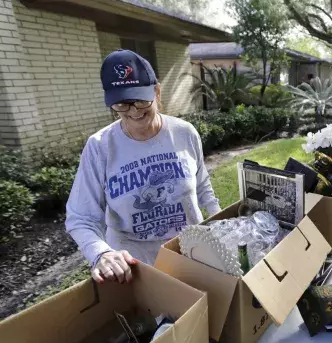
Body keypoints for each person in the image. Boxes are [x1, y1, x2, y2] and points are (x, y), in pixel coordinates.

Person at [66, 49, 221, 284]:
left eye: (140, 100)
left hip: (192, 254)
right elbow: (81, 217)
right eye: (122, 104)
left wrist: (219, 221)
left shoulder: (184, 133)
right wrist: (101, 253)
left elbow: (202, 186)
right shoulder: (99, 147)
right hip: (137, 269)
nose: (134, 111)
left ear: (157, 92)